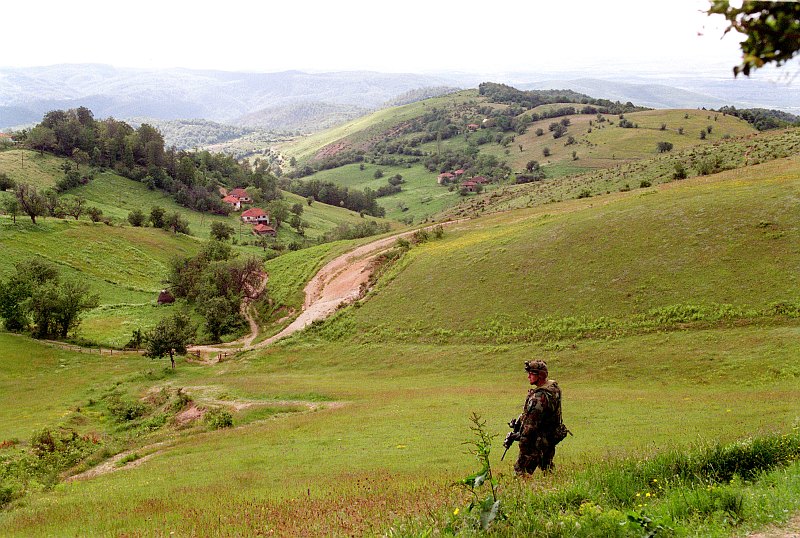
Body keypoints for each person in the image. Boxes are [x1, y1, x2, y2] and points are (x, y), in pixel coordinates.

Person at [514, 359, 562, 475]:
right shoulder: (553, 388)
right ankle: (555, 483)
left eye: (531, 374)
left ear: (540, 375)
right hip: (550, 436)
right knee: (547, 467)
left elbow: (530, 426)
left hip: (537, 440)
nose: (528, 377)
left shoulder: (539, 397)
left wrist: (518, 435)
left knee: (521, 471)